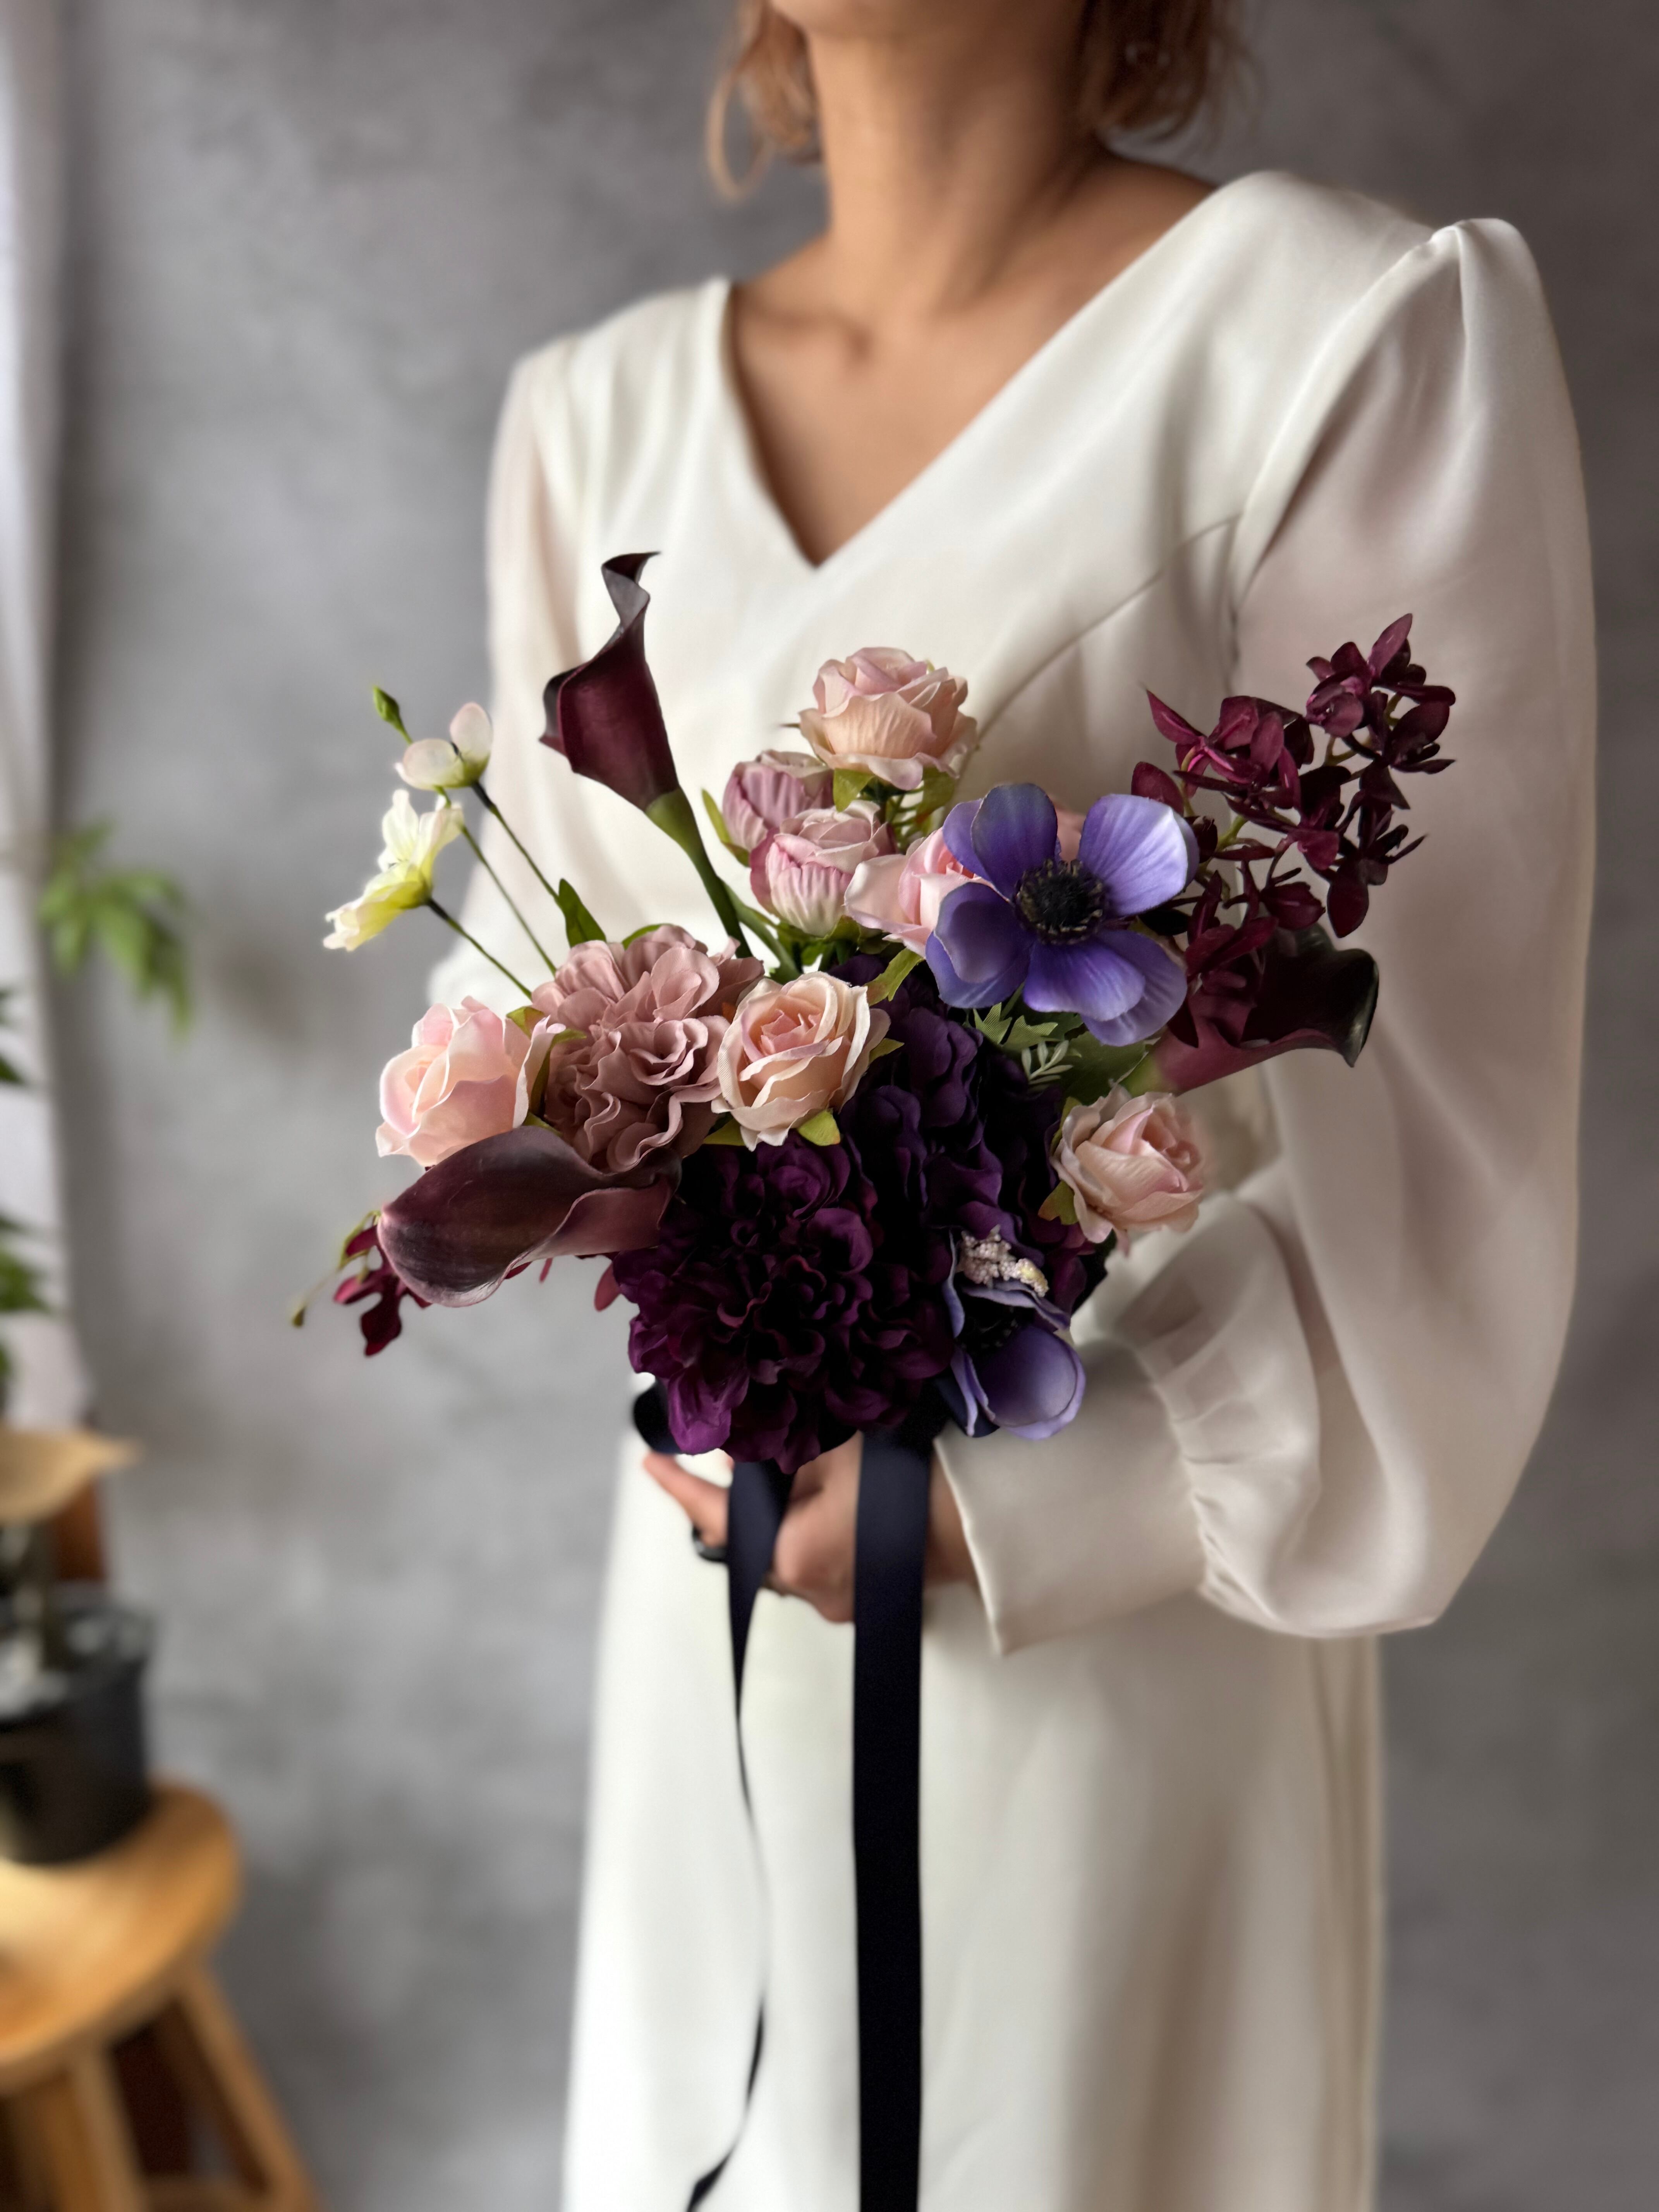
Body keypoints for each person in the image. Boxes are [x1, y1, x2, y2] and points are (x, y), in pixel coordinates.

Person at [430, 2, 1595, 2205]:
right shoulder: (596, 415)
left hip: (1113, 1622)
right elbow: (538, 1017)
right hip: (713, 1591)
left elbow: (1446, 1125)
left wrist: (1014, 1510)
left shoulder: (1338, 335)